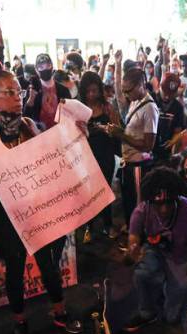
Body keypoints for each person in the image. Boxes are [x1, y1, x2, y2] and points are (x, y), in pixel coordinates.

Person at [0, 71, 83, 334]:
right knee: (14, 266)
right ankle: (19, 321)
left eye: (20, 92)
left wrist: (73, 137)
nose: (18, 98)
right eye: (10, 92)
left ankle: (60, 312)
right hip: (6, 213)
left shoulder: (27, 125)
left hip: (36, 209)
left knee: (48, 261)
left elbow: (47, 159)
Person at [123, 167, 187, 334]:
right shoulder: (142, 211)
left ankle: (169, 292)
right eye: (158, 203)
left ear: (177, 197)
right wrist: (130, 254)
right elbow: (133, 241)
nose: (164, 209)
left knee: (171, 318)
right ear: (149, 201)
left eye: (169, 202)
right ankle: (147, 312)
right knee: (142, 273)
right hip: (154, 251)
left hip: (181, 257)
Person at [108, 62, 159, 228]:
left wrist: (121, 135)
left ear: (141, 85)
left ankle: (139, 239)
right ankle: (133, 234)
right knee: (129, 202)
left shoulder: (150, 108)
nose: (125, 94)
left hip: (140, 165)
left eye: (128, 90)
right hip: (129, 163)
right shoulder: (135, 101)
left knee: (138, 205)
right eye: (124, 90)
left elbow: (148, 145)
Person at [78, 71, 122, 239]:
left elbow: (118, 131)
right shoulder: (80, 108)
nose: (91, 95)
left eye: (94, 91)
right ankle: (89, 226)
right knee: (88, 191)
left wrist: (110, 129)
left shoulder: (107, 107)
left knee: (104, 189)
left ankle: (108, 224)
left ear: (100, 90)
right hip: (86, 156)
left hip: (105, 153)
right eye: (88, 91)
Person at [24, 53, 71, 131]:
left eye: (48, 65)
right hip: (40, 135)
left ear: (52, 66)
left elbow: (70, 113)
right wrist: (31, 100)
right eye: (41, 67)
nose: (45, 69)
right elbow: (25, 118)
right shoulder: (32, 90)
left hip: (61, 132)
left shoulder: (63, 90)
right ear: (36, 69)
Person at [153, 72, 185, 162]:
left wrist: (173, 141)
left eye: (171, 94)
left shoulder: (178, 107)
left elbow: (178, 130)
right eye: (165, 92)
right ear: (160, 87)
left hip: (166, 152)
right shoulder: (151, 99)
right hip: (147, 150)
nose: (167, 96)